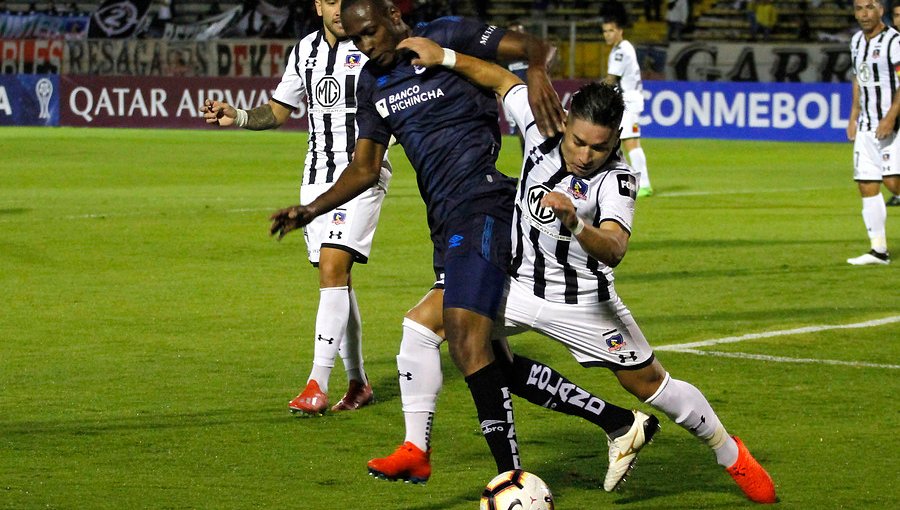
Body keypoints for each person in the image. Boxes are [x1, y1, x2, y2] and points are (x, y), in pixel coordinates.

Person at [268, 0, 659, 485]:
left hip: (486, 204)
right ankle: (620, 422)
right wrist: (310, 209)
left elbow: (534, 46)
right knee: (494, 362)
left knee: (448, 336)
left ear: (392, 15)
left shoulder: (447, 34)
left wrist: (535, 71)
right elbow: (366, 167)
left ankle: (499, 474)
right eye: (355, 39)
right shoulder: (371, 81)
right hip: (445, 220)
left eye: (369, 32)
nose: (365, 45)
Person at [398, 38, 779, 504]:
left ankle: (728, 452)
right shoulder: (541, 130)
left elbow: (615, 247)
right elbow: (501, 80)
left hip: (584, 305)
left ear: (616, 138)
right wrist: (446, 58)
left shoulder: (617, 179)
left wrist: (576, 221)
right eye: (578, 141)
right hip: (515, 287)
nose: (584, 154)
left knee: (653, 386)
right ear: (567, 124)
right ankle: (424, 449)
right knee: (429, 326)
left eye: (598, 147)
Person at [202, 0, 391, 414]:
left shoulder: (375, 45)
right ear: (318, 5)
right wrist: (236, 116)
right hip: (314, 177)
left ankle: (316, 385)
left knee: (332, 268)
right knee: (335, 280)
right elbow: (276, 111)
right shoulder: (304, 49)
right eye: (331, 1)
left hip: (361, 170)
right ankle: (358, 383)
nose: (340, 10)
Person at [846, 0, 899, 265]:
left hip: (893, 124)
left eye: (869, 7)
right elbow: (859, 78)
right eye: (859, 8)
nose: (864, 14)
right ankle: (878, 250)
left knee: (893, 182)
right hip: (867, 125)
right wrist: (853, 116)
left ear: (881, 9)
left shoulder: (894, 41)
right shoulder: (856, 41)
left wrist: (890, 117)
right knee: (866, 184)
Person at [602, 17, 653, 197]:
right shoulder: (622, 48)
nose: (607, 35)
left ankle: (644, 184)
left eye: (610, 31)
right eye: (605, 31)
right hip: (626, 101)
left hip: (628, 102)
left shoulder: (621, 51)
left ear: (620, 31)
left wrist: (596, 92)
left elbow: (611, 79)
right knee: (618, 141)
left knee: (631, 142)